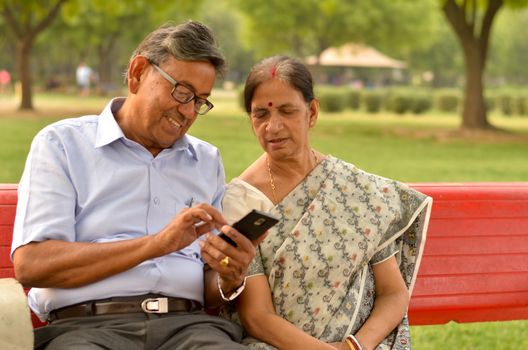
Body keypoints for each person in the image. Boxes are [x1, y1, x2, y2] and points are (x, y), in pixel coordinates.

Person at [11, 21, 257, 350]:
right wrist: (157, 244)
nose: (187, 112)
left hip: (189, 328)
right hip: (86, 328)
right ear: (138, 72)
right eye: (181, 92)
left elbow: (206, 283)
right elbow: (32, 264)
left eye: (199, 101)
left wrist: (229, 277)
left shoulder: (206, 161)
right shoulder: (62, 145)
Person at [220, 56, 433, 350]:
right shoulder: (242, 201)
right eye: (260, 115)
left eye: (287, 111)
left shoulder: (355, 188)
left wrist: (354, 346)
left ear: (312, 112)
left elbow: (392, 294)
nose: (273, 126)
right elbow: (257, 317)